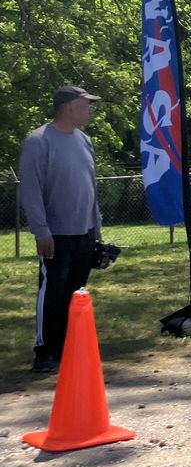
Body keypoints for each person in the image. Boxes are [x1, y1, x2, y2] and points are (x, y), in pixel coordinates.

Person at [18, 85, 104, 373]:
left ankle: (67, 348)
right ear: (68, 107)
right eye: (85, 104)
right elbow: (30, 190)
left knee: (76, 293)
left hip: (85, 231)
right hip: (56, 233)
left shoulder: (84, 140)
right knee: (52, 292)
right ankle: (45, 352)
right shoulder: (39, 141)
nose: (89, 110)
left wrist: (97, 225)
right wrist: (41, 230)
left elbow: (90, 186)